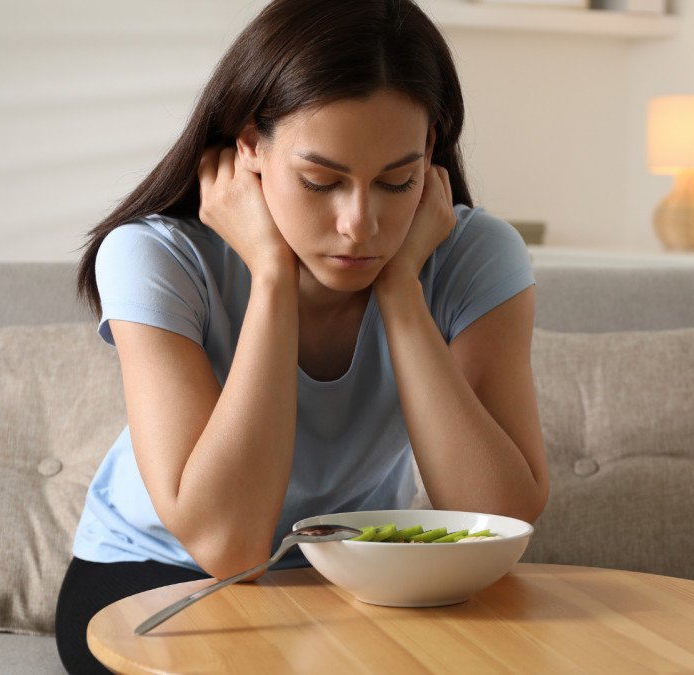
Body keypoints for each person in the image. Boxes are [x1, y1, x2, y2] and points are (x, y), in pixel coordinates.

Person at [54, 0, 549, 671]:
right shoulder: (155, 256)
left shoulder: (473, 255)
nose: (360, 225)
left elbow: (498, 518)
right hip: (156, 573)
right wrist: (271, 277)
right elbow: (228, 546)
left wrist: (401, 294)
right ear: (250, 147)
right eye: (320, 181)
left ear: (431, 151)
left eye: (396, 181)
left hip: (356, 576)